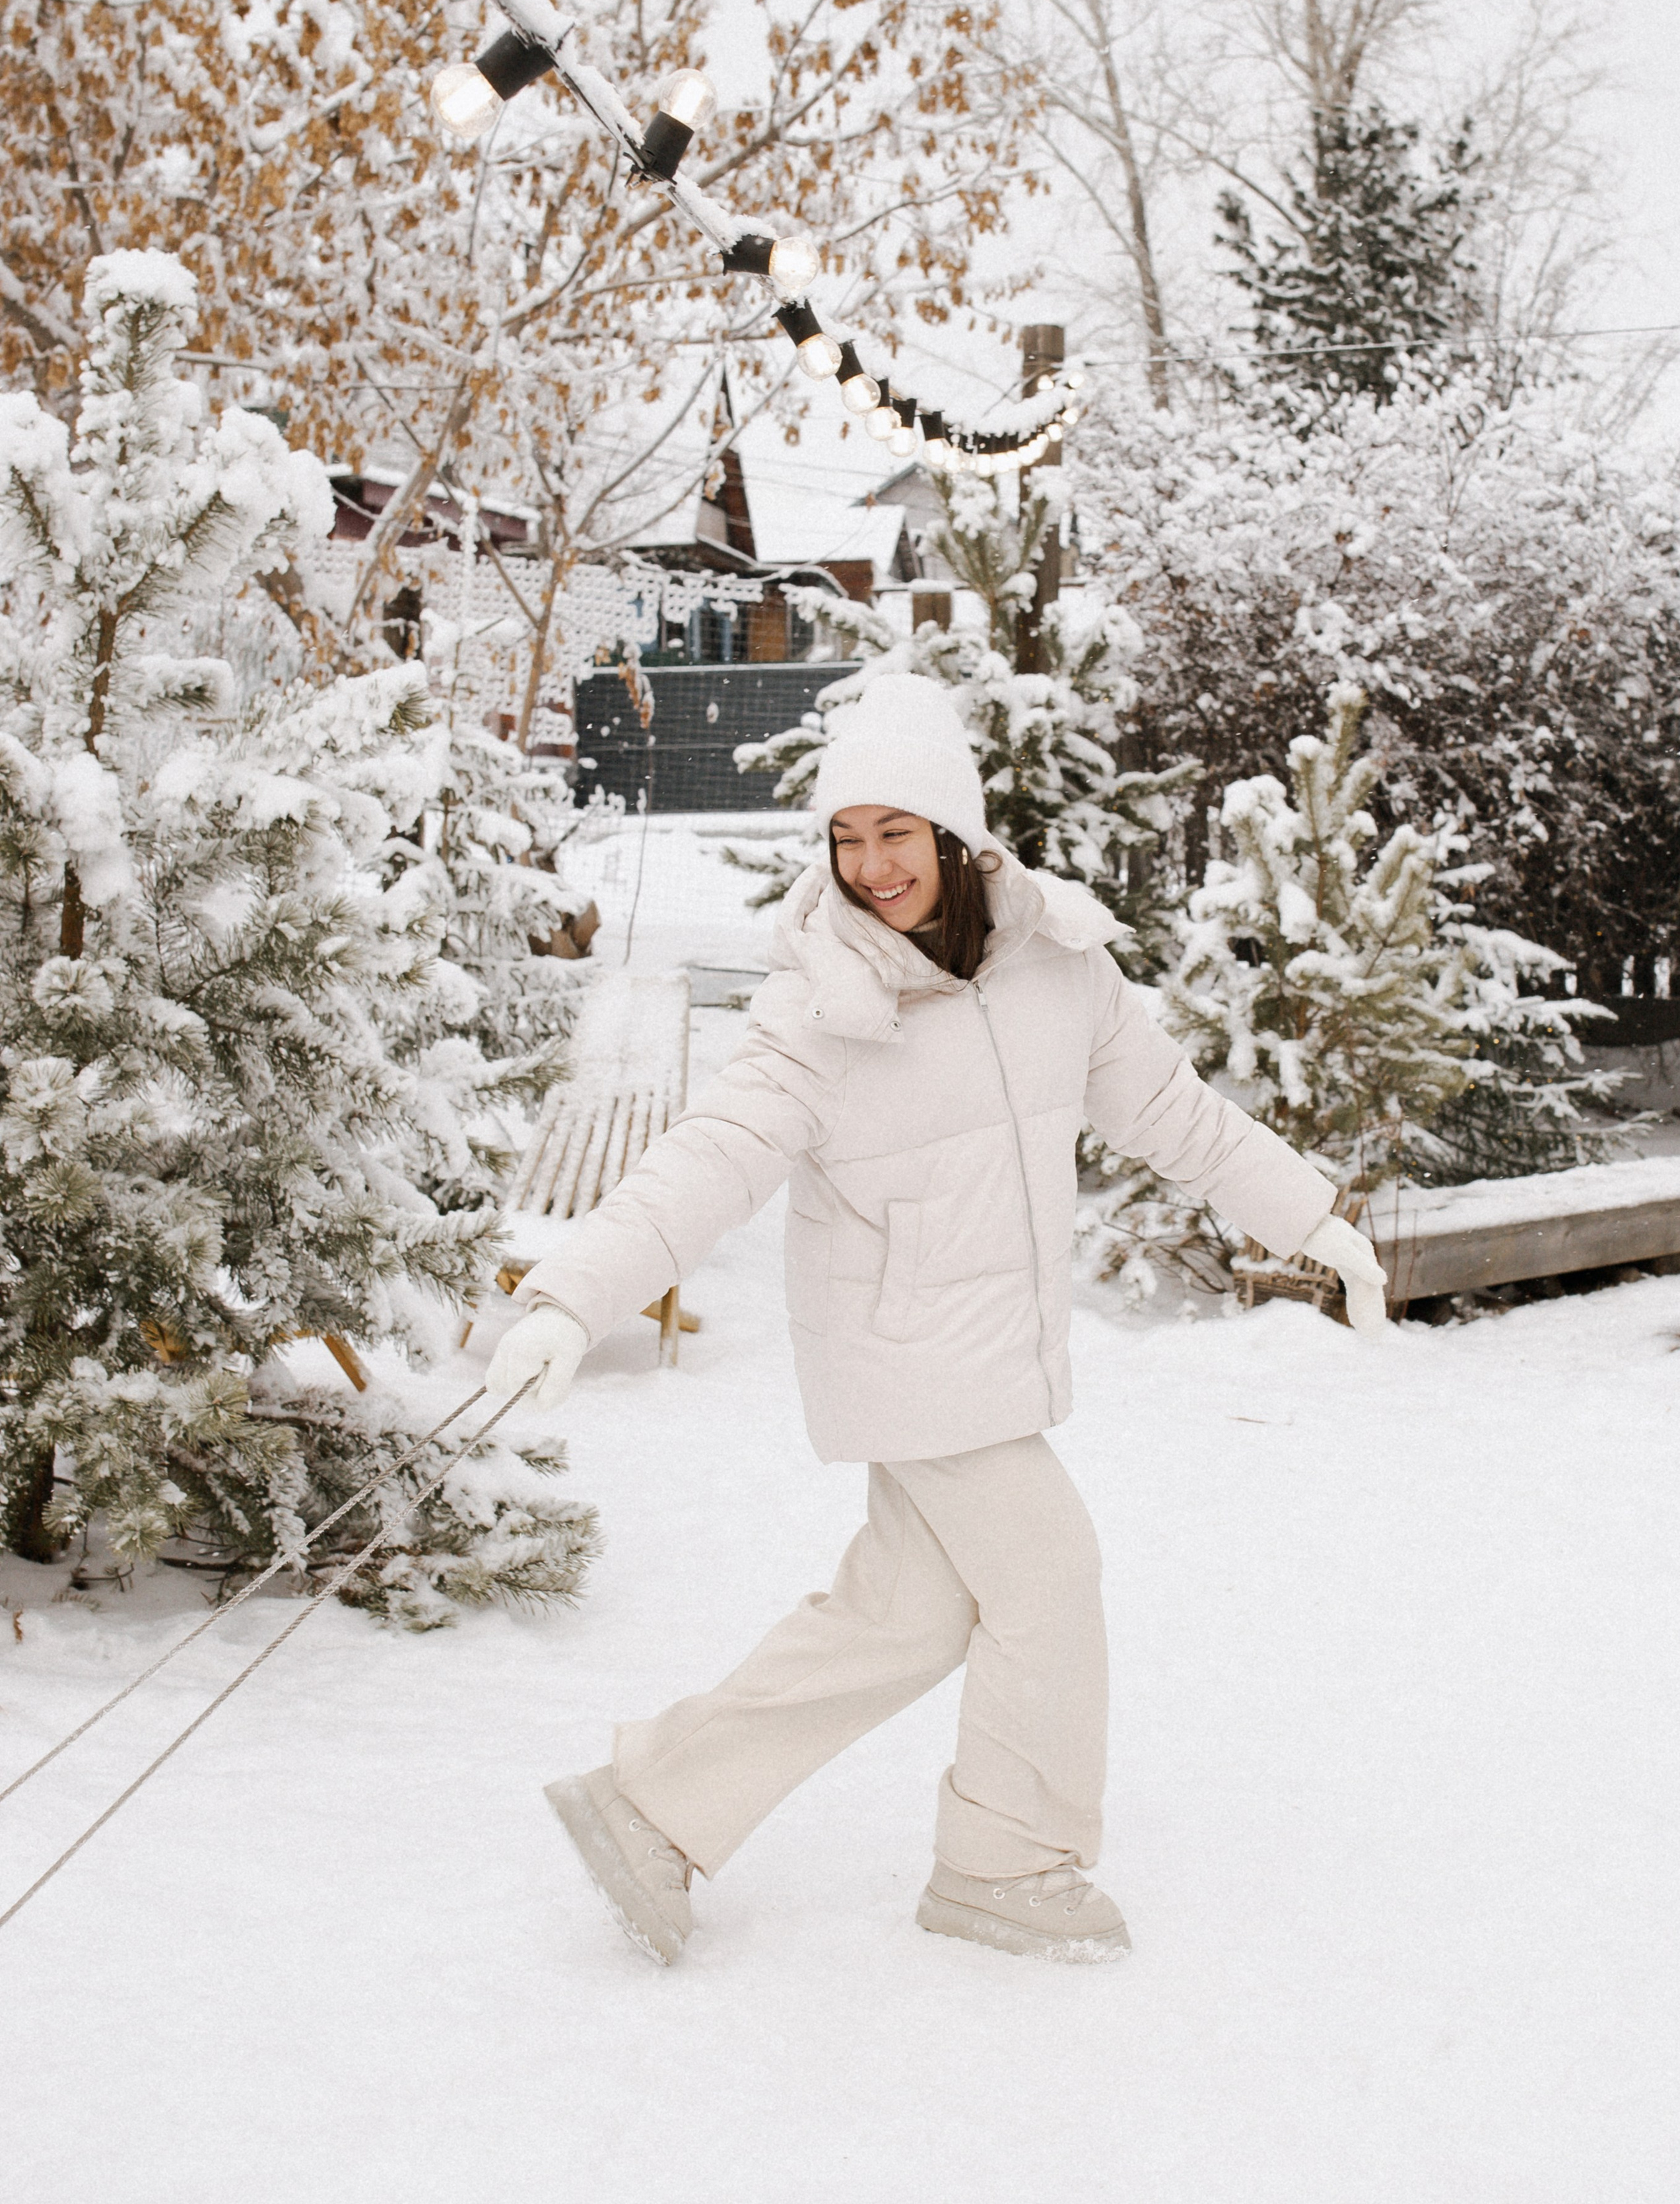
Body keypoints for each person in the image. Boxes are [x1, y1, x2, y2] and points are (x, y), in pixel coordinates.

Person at [487, 673, 1386, 1968]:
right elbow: (709, 1156)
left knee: (902, 1615)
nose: (867, 867)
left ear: (953, 834)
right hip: (902, 1355)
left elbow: (1173, 1116)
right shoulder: (819, 1010)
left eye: (891, 834)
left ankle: (650, 1808)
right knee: (1049, 1577)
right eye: (844, 839)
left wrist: (1311, 1219)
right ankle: (1005, 1864)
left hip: (987, 1354)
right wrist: (570, 1300)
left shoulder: (1056, 969)